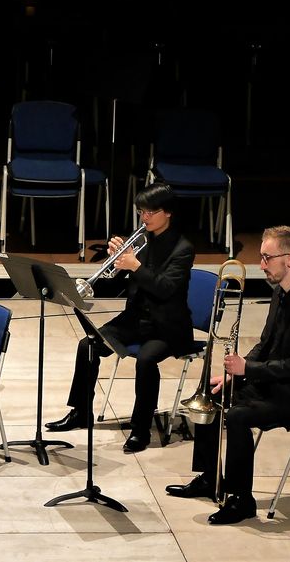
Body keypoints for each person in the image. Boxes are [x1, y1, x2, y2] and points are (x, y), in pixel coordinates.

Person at [166, 226, 290, 525]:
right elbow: (265, 344)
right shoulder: (281, 294)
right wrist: (235, 375)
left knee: (239, 415)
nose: (262, 264)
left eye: (268, 258)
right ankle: (209, 477)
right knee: (212, 396)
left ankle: (241, 499)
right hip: (275, 385)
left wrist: (249, 369)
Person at [45, 183, 195, 453]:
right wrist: (117, 260)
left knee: (147, 360)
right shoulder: (141, 241)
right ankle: (81, 411)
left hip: (167, 327)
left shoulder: (182, 249)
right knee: (87, 345)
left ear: (168, 212)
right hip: (135, 320)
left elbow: (165, 288)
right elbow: (123, 283)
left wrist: (134, 265)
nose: (144, 218)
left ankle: (141, 429)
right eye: (141, 211)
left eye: (151, 212)